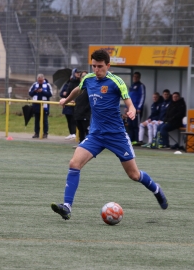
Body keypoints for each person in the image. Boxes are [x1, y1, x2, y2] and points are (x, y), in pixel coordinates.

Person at [51, 49, 168, 221]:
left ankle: (156, 189)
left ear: (108, 66)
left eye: (100, 66)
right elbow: (78, 89)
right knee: (74, 163)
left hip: (116, 135)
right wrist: (65, 100)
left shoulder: (116, 81)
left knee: (134, 175)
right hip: (96, 135)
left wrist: (132, 110)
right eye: (94, 66)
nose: (96, 70)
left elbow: (128, 101)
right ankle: (67, 206)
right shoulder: (88, 79)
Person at [28, 74, 52, 139]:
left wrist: (42, 91)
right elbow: (30, 93)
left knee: (45, 120)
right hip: (36, 105)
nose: (40, 82)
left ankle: (45, 133)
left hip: (44, 106)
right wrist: (35, 91)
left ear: (43, 79)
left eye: (41, 80)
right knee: (36, 120)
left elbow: (50, 94)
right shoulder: (34, 84)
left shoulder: (47, 85)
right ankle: (36, 133)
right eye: (39, 81)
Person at [125, 71, 146, 145]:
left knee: (136, 125)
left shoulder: (141, 86)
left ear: (139, 78)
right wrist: (126, 106)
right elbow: (128, 97)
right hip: (130, 109)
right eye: (134, 76)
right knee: (130, 124)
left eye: (137, 77)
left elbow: (142, 97)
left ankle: (137, 140)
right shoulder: (131, 86)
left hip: (137, 109)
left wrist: (139, 107)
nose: (135, 78)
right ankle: (131, 139)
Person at [60, 68, 81, 140]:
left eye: (79, 73)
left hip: (77, 105)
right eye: (77, 73)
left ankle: (76, 134)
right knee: (69, 119)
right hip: (69, 105)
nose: (78, 74)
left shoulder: (80, 82)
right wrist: (65, 96)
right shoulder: (70, 83)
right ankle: (72, 133)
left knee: (75, 120)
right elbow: (67, 93)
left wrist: (75, 99)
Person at [73, 70, 91, 146]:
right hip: (78, 113)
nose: (83, 78)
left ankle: (88, 145)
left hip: (85, 113)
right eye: (82, 76)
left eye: (85, 76)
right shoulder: (78, 88)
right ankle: (81, 144)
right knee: (80, 129)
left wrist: (85, 110)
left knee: (86, 129)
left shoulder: (90, 88)